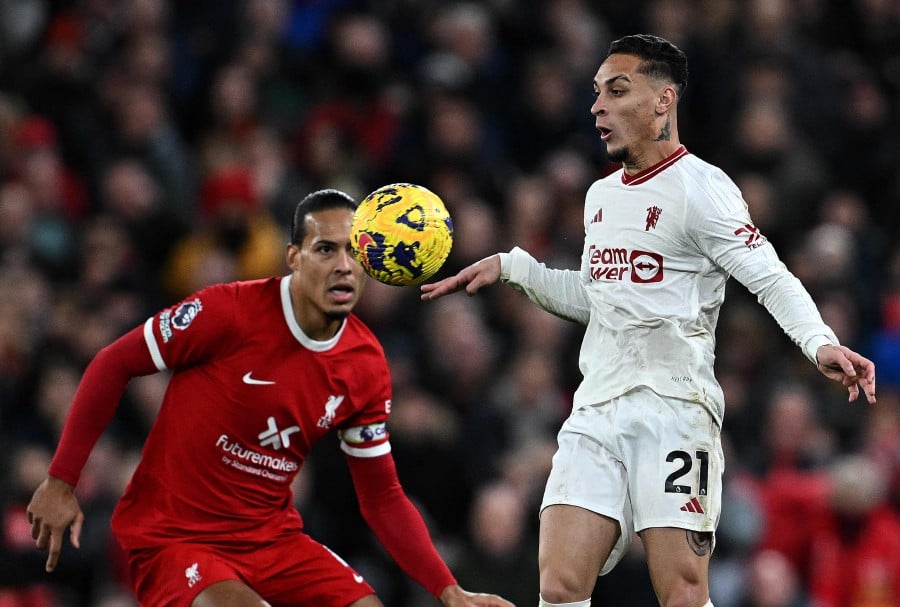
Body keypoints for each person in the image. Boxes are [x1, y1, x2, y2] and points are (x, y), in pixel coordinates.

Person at [420, 34, 877, 607]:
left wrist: (819, 342)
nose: (597, 108)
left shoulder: (702, 190)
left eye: (616, 91)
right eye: (595, 94)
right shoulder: (599, 196)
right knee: (559, 586)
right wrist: (515, 268)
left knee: (682, 594)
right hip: (597, 409)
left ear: (664, 100)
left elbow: (770, 275)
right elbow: (598, 299)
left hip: (674, 410)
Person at [27, 188, 515, 607]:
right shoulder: (228, 312)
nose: (343, 266)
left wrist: (447, 590)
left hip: (270, 539)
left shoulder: (364, 365)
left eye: (354, 252)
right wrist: (61, 480)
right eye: (325, 250)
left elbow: (382, 498)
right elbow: (113, 363)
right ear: (294, 257)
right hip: (174, 536)